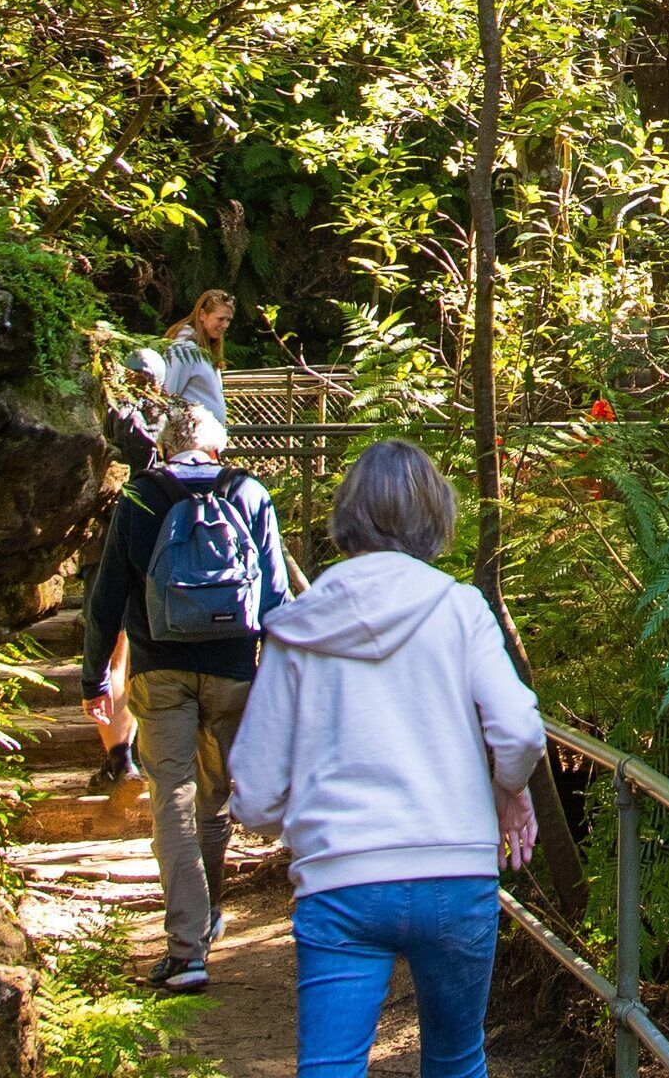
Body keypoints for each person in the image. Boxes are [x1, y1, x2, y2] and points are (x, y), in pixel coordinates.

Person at [228, 441, 543, 1078]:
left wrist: (305, 831)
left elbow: (255, 791)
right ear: (435, 519)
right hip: (455, 872)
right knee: (457, 1063)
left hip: (341, 880)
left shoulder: (298, 625)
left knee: (330, 1069)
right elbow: (518, 730)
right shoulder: (459, 609)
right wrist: (509, 789)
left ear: (348, 516)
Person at [82, 400, 298, 993]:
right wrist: (280, 681)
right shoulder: (250, 492)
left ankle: (186, 949)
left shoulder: (139, 497)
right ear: (216, 446)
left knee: (170, 798)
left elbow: (105, 600)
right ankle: (208, 919)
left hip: (159, 671)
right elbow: (277, 599)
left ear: (165, 442)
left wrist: (95, 678)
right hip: (233, 671)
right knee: (214, 796)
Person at [136, 288, 235, 431]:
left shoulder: (205, 350)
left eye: (228, 320)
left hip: (207, 438)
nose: (225, 325)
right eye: (220, 319)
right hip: (187, 438)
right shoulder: (184, 348)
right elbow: (168, 393)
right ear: (202, 315)